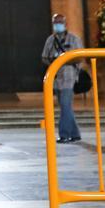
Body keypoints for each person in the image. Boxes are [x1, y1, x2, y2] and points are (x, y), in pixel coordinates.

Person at [42, 13, 83, 143]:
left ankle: (64, 134)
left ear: (65, 24)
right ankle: (75, 133)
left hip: (69, 77)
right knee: (66, 106)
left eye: (60, 22)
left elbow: (80, 56)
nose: (57, 25)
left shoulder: (74, 39)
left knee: (65, 105)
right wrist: (53, 61)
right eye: (55, 22)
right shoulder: (50, 40)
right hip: (56, 78)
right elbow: (44, 56)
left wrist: (65, 60)